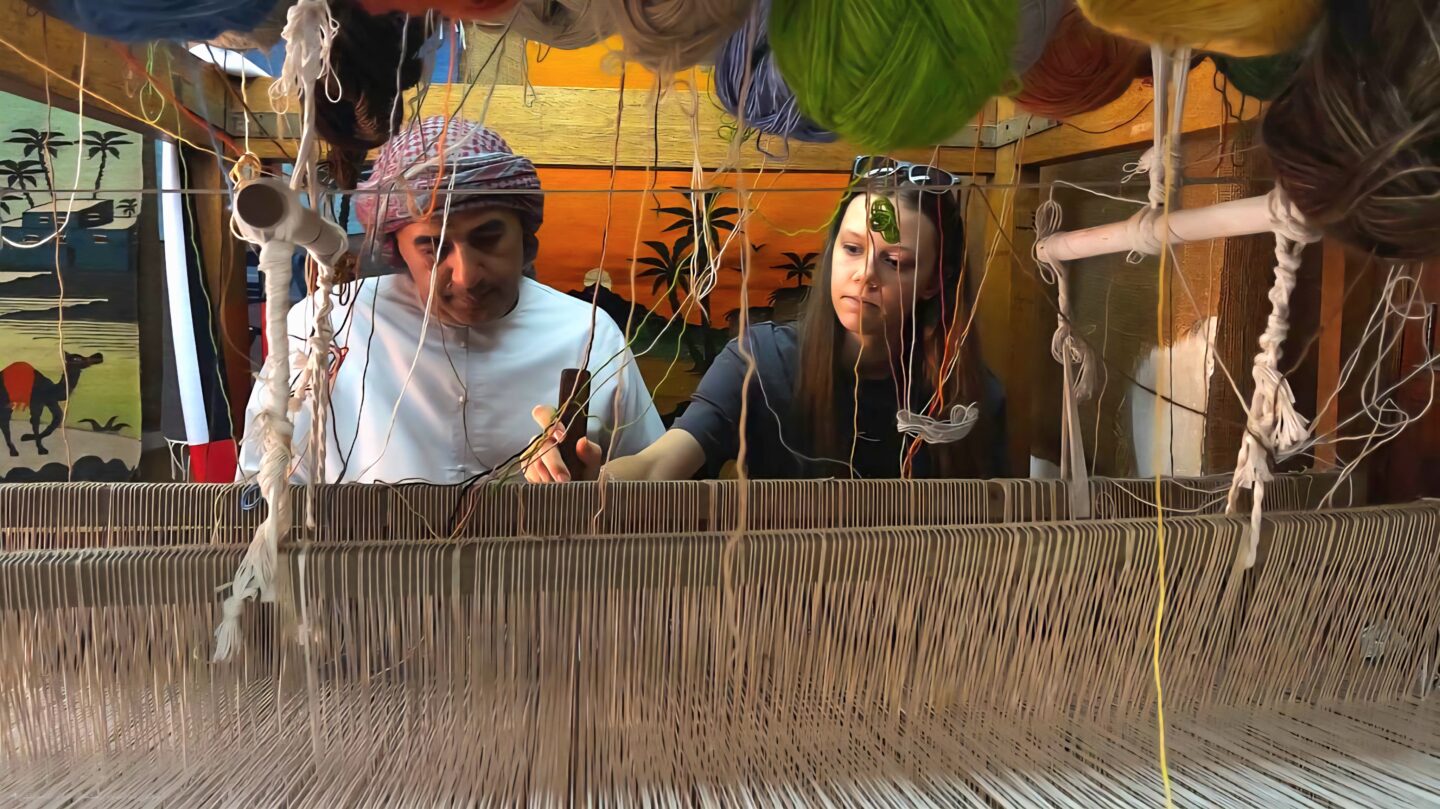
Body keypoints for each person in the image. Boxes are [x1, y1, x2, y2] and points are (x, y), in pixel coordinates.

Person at [239, 116, 665, 484]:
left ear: (526, 234)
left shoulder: (587, 334)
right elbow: (262, 490)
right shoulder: (328, 325)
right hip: (364, 575)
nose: (467, 274)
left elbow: (651, 488)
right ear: (395, 250)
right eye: (432, 246)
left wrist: (598, 486)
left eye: (489, 237)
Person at [526, 160, 1006, 483]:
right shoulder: (759, 362)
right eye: (853, 248)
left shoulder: (970, 396)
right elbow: (659, 464)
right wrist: (592, 478)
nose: (864, 276)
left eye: (895, 261)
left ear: (931, 282)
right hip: (774, 599)